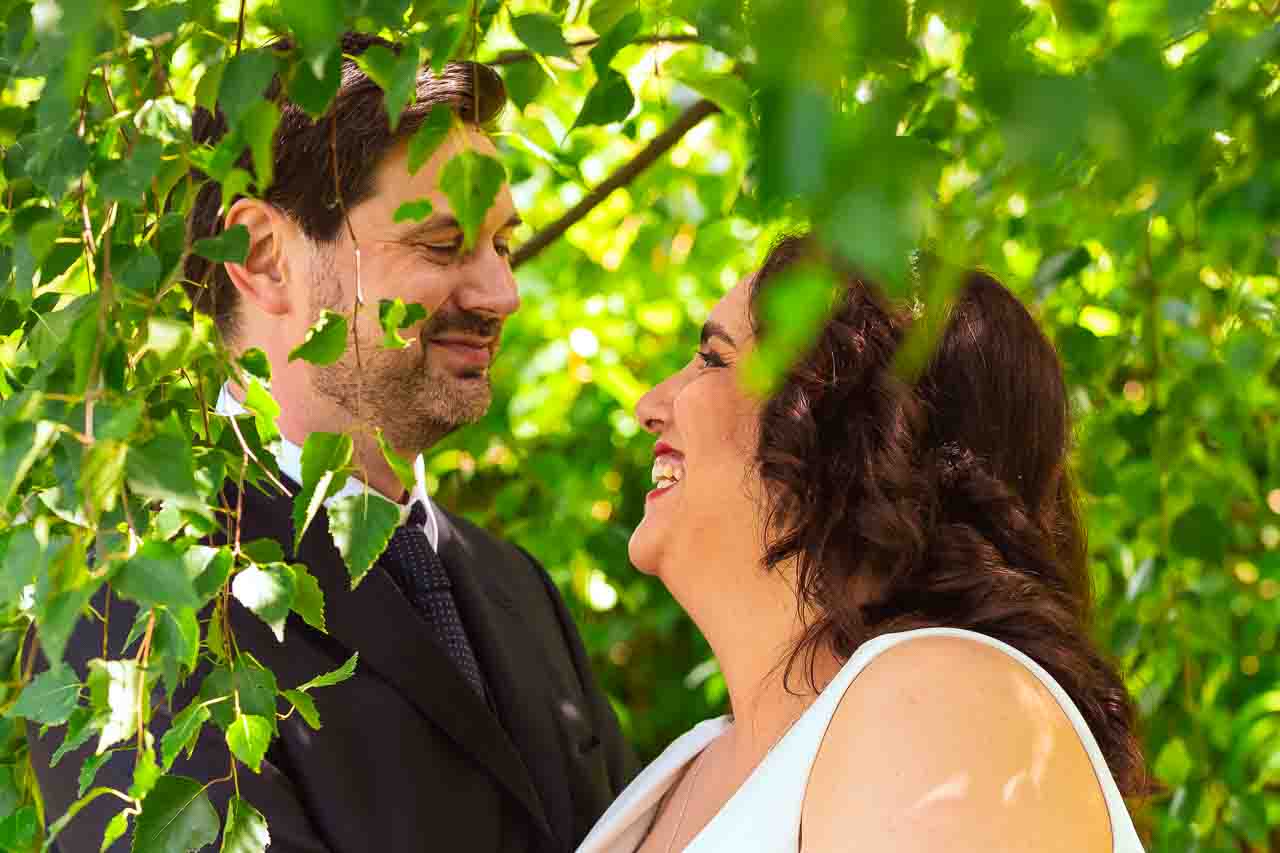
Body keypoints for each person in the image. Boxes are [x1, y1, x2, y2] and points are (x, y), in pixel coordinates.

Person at [30, 34, 635, 853]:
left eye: (504, 244)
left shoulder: (521, 589)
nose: (503, 291)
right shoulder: (133, 620)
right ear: (266, 258)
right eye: (443, 243)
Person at [578, 236, 1149, 852]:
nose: (649, 405)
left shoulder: (943, 709)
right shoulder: (683, 766)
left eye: (714, 359)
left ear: (846, 431)